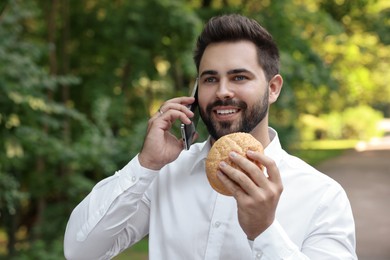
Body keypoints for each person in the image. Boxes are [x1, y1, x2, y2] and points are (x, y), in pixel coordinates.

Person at [64, 14, 357, 259]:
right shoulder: (165, 175)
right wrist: (146, 164)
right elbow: (80, 251)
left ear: (273, 88)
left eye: (239, 77)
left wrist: (265, 231)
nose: (222, 91)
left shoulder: (322, 196)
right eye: (210, 79)